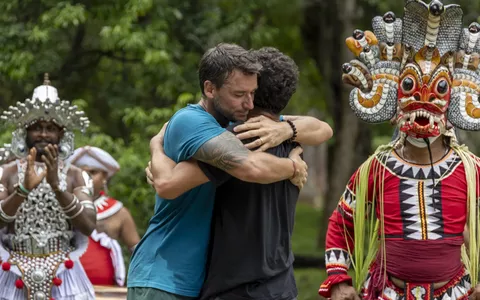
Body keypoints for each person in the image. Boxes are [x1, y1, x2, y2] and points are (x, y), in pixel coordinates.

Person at [319, 1, 480, 299]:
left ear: (452, 101)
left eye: (439, 91)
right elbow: (341, 223)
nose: (423, 102)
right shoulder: (375, 168)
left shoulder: (471, 169)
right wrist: (339, 280)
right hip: (386, 293)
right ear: (394, 100)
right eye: (410, 88)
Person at [126, 43, 313, 300]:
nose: (248, 104)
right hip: (162, 275)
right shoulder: (193, 122)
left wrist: (287, 129)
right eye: (239, 94)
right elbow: (250, 166)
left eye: (253, 94)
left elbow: (320, 127)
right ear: (209, 89)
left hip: (192, 280)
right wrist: (294, 166)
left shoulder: (235, 126)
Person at [0, 74, 97, 299]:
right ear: (25, 132)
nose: (43, 134)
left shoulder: (76, 176)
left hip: (64, 274)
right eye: (36, 127)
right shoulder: (7, 172)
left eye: (50, 128)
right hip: (13, 272)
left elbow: (89, 225)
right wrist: (22, 190)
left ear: (61, 133)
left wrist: (57, 188)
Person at [66, 146, 140, 287]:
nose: (86, 177)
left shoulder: (118, 212)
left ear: (105, 177)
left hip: (107, 292)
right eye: (81, 172)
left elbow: (140, 254)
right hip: (65, 289)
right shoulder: (60, 207)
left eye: (93, 172)